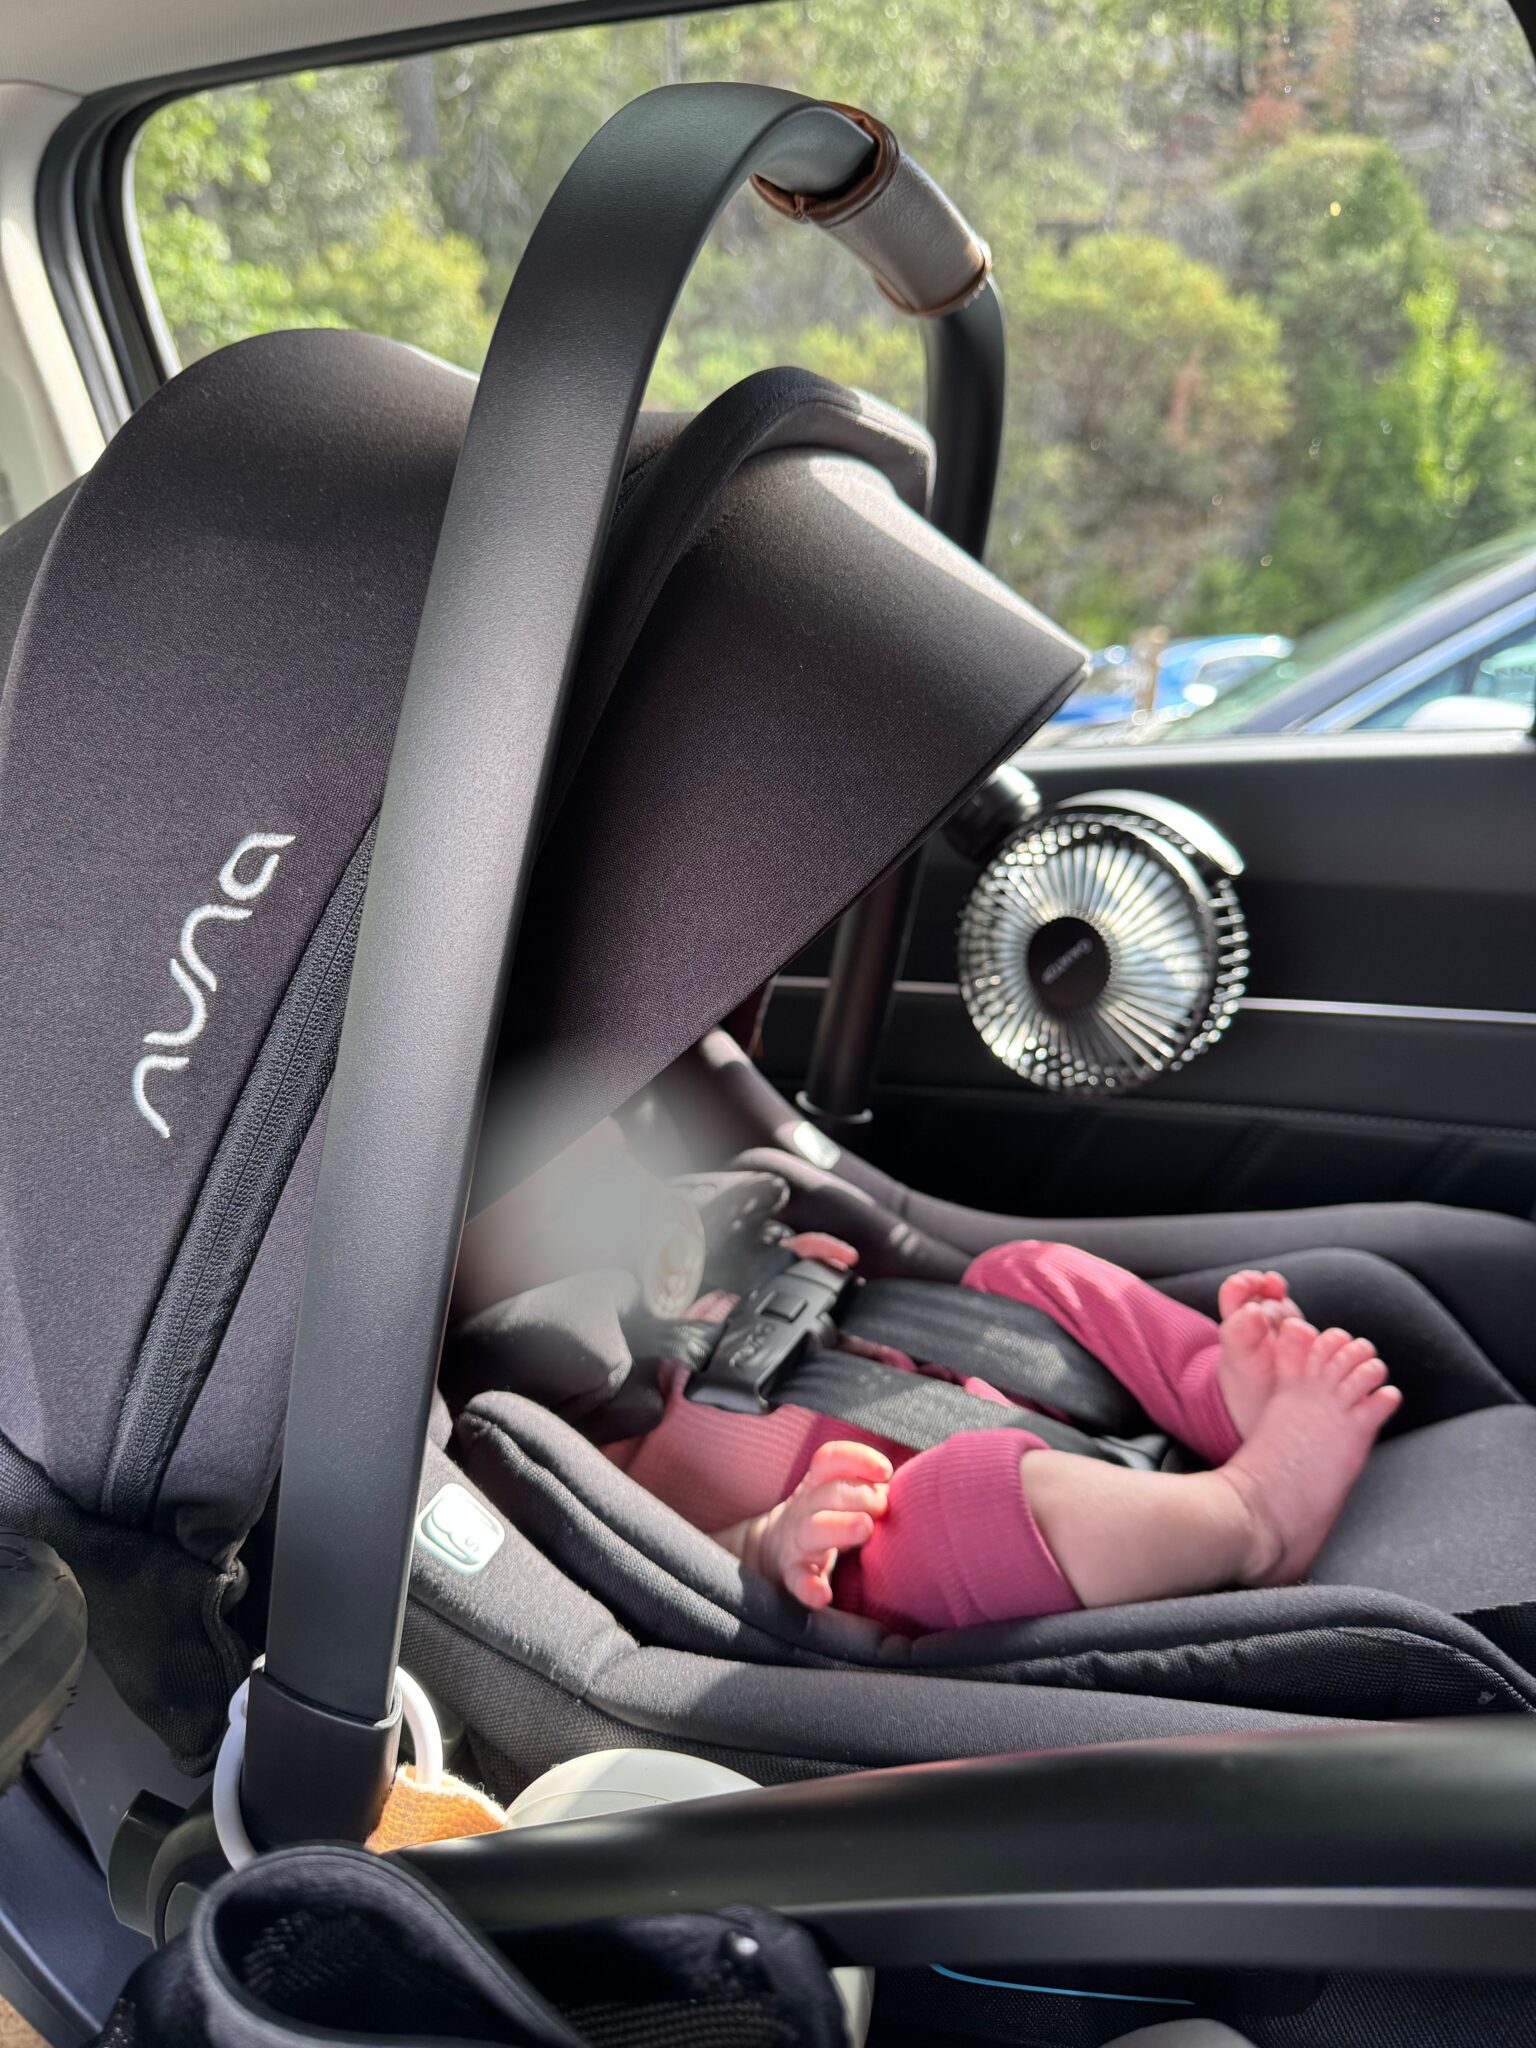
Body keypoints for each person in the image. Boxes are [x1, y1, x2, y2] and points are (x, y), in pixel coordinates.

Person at [606, 1238, 1400, 1636]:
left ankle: (1216, 1400)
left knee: (1020, 1271)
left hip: (941, 1376)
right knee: (972, 1493)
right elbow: (654, 1568)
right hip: (862, 1535)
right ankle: (1253, 1516)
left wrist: (774, 1271)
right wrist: (771, 1540)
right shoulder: (568, 1436)